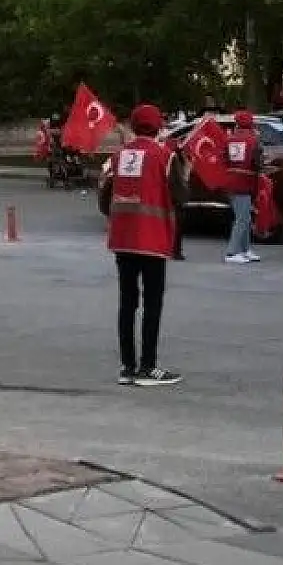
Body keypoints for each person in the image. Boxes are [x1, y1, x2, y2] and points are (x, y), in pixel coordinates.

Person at [107, 104, 185, 387]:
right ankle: (148, 367)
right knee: (152, 304)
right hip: (152, 239)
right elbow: (181, 195)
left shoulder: (118, 156)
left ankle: (127, 367)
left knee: (127, 303)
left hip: (122, 238)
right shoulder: (165, 156)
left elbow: (105, 197)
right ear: (158, 126)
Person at [224, 110, 262, 264]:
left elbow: (224, 159)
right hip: (245, 181)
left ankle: (245, 250)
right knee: (242, 219)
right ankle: (232, 252)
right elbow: (256, 162)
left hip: (231, 181)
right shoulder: (253, 140)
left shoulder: (229, 139)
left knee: (243, 217)